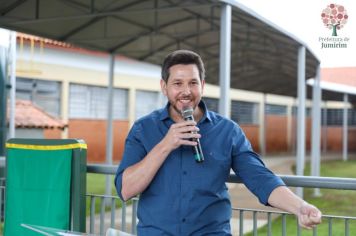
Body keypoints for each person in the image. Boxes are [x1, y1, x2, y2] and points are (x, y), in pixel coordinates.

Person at [115, 49, 322, 235]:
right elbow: (125, 189)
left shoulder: (227, 131)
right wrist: (165, 145)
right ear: (164, 87)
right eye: (177, 83)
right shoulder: (143, 129)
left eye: (193, 83)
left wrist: (300, 207)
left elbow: (260, 178)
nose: (186, 91)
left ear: (202, 86)